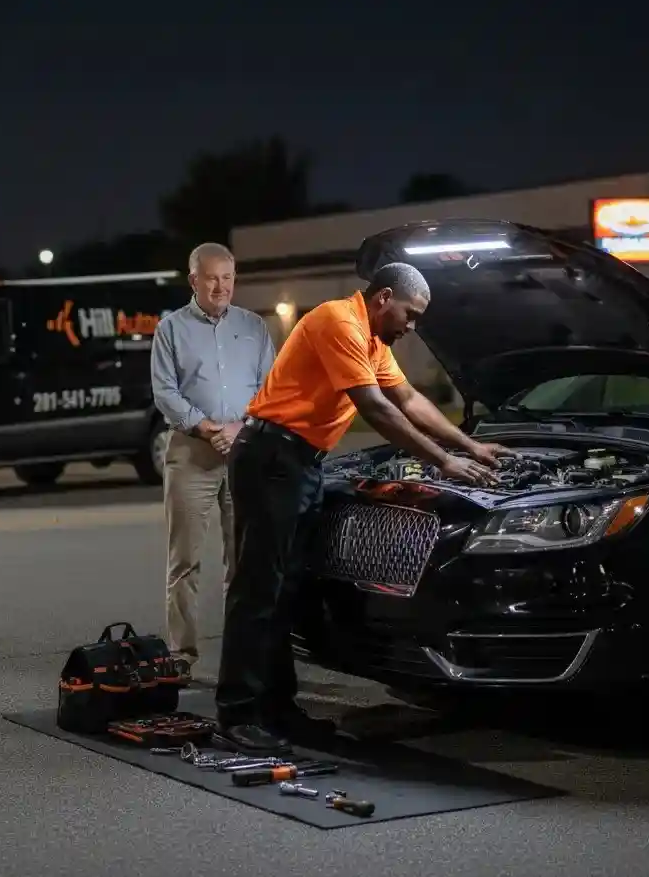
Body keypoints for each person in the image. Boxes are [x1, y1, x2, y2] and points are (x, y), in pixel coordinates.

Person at [213, 261, 514, 754]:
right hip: (271, 458)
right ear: (384, 297)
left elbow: (408, 398)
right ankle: (237, 715)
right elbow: (376, 408)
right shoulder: (339, 322)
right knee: (258, 591)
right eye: (410, 314)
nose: (412, 326)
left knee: (287, 591)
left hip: (299, 461)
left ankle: (277, 711)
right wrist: (441, 462)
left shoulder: (374, 340)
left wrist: (469, 447)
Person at [150, 242, 276, 679]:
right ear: (193, 280)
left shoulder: (254, 327)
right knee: (184, 561)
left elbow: (270, 389)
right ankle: (181, 657)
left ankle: (242, 658)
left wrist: (239, 430)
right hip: (191, 454)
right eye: (211, 278)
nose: (220, 286)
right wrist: (207, 429)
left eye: (227, 277)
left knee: (243, 561)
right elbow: (165, 392)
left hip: (245, 453)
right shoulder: (170, 329)